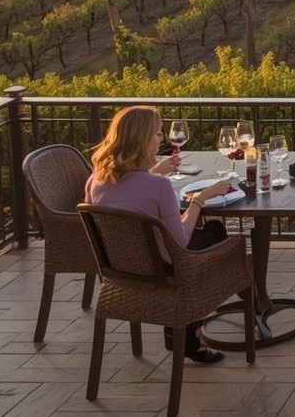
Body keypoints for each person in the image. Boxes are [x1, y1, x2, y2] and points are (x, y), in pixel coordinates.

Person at [84, 106, 235, 364]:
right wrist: (200, 200)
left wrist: (156, 171)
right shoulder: (160, 187)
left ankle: (183, 331)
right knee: (216, 232)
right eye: (157, 133)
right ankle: (205, 314)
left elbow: (129, 191)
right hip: (164, 269)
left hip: (120, 270)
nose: (161, 139)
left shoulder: (96, 180)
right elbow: (181, 242)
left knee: (207, 233)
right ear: (142, 140)